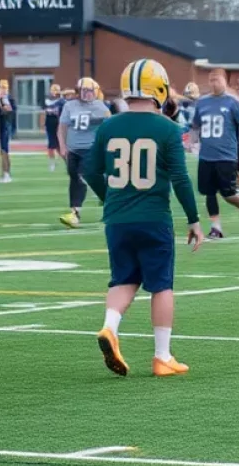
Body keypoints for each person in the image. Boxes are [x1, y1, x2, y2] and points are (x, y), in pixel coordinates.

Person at [86, 58, 203, 378]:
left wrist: (107, 197)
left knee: (123, 279)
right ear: (159, 89)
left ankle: (110, 327)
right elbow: (180, 178)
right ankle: (162, 356)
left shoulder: (109, 125)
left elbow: (89, 170)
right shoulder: (167, 128)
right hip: (153, 217)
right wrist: (193, 218)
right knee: (161, 285)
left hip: (118, 218)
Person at [191, 68, 239, 237]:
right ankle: (216, 227)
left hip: (226, 155)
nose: (213, 83)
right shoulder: (202, 102)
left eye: (217, 79)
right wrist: (192, 142)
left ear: (225, 81)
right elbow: (195, 126)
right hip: (206, 155)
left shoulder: (233, 103)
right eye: (211, 80)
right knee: (209, 193)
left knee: (228, 193)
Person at [58, 77, 111, 228]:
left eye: (91, 90)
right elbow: (62, 127)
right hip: (73, 150)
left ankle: (75, 214)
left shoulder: (101, 108)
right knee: (75, 178)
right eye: (85, 90)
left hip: (91, 149)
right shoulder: (69, 106)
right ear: (78, 91)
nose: (88, 93)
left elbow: (110, 128)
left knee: (82, 177)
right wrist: (62, 146)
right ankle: (107, 203)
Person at [0, 79, 16, 182]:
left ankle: (6, 174)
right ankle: (4, 173)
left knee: (4, 150)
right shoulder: (5, 97)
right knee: (3, 151)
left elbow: (8, 109)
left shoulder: (5, 98)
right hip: (4, 125)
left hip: (5, 125)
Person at [42, 83, 64, 172]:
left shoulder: (62, 101)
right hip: (49, 125)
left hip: (58, 125)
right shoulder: (47, 101)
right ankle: (52, 163)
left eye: (56, 90)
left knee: (59, 146)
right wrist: (42, 125)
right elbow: (43, 113)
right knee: (50, 146)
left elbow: (63, 115)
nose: (54, 92)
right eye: (53, 90)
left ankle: (67, 162)